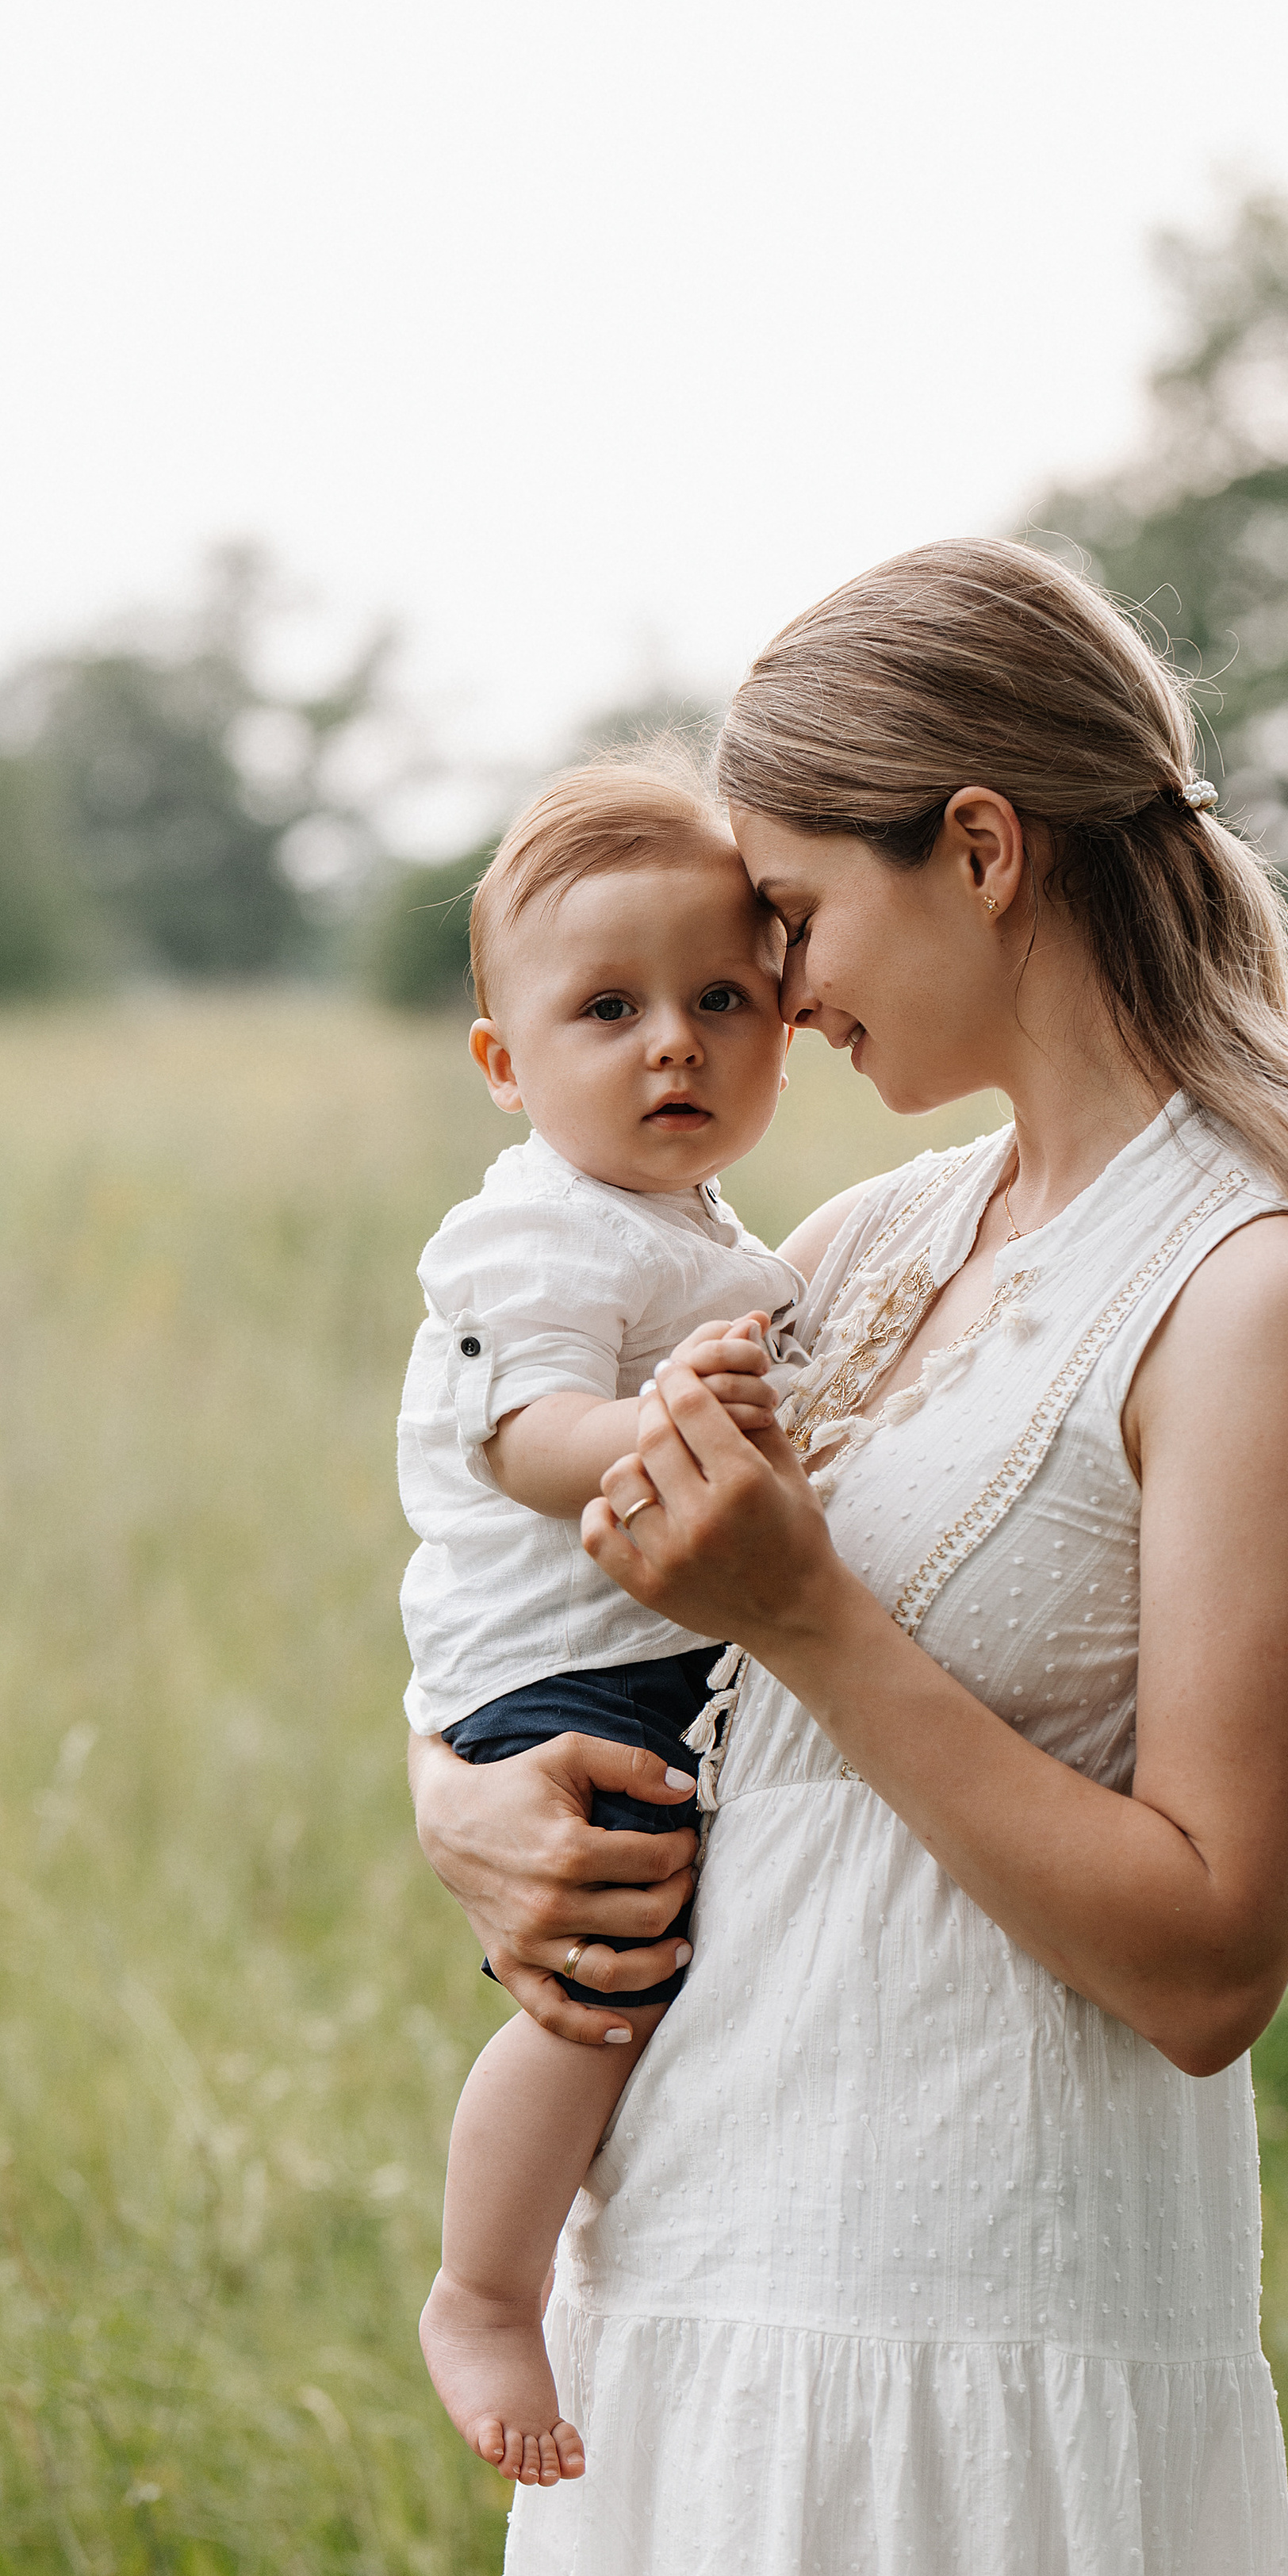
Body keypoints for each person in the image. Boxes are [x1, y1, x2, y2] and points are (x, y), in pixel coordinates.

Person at [410, 539, 1288, 2576]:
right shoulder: (859, 1246)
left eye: (787, 916)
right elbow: (596, 1597)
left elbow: (1212, 1961)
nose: (773, 991)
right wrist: (461, 1802)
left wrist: (804, 1609)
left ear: (980, 846)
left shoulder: (1265, 1300)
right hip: (682, 2296)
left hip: (978, 2350)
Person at [401, 761, 804, 2486]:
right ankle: (483, 2289)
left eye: (723, 998)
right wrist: (664, 1434)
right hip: (561, 1679)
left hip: (644, 1652)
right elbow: (521, 1438)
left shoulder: (698, 1225)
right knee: (600, 1998)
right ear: (505, 1065)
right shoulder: (535, 1234)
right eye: (609, 1009)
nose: (676, 1045)